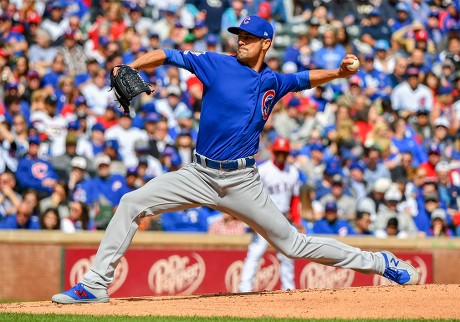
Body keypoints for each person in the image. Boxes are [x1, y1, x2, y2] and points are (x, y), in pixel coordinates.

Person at [52, 15, 419, 304]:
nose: (240, 42)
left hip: (243, 182)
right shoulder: (216, 63)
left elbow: (305, 78)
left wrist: (339, 73)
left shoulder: (274, 81)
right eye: (238, 37)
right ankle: (95, 284)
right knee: (131, 202)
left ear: (266, 43)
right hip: (198, 173)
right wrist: (129, 65)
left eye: (248, 38)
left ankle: (381, 263)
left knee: (293, 245)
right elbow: (167, 54)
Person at [239, 137, 301, 293]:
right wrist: (252, 219)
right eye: (279, 152)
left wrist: (297, 220)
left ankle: (288, 288)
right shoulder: (263, 170)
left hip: (284, 218)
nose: (281, 155)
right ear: (273, 152)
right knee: (255, 253)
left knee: (287, 254)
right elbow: (252, 195)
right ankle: (244, 289)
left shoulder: (293, 171)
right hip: (264, 218)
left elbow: (295, 198)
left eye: (284, 153)